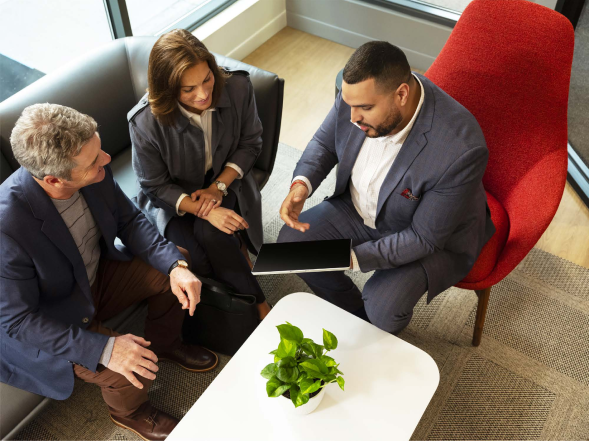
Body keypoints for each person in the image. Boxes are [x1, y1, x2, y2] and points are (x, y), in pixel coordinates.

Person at [0, 104, 219, 441]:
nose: (105, 159)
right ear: (54, 180)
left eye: (99, 148)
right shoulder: (6, 228)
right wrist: (105, 349)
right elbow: (17, 322)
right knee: (124, 367)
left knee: (175, 264)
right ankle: (130, 412)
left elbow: (128, 220)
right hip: (54, 318)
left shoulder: (94, 170)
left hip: (93, 279)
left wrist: (176, 267)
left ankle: (165, 343)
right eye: (93, 161)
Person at [278, 41, 495, 334]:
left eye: (365, 108)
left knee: (384, 306)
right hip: (357, 208)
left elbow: (424, 237)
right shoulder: (356, 94)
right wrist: (301, 185)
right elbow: (325, 141)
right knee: (291, 246)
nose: (353, 117)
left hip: (429, 236)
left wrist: (354, 258)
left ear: (401, 94)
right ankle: (357, 317)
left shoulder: (460, 147)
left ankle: (376, 326)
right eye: (349, 105)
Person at [128, 29, 270, 320]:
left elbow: (250, 143)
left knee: (215, 235)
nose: (203, 94)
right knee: (191, 256)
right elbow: (154, 185)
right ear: (168, 90)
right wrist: (204, 210)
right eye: (188, 89)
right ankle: (230, 303)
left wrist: (218, 187)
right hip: (175, 197)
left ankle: (258, 304)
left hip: (225, 179)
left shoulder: (238, 87)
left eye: (207, 79)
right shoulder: (144, 123)